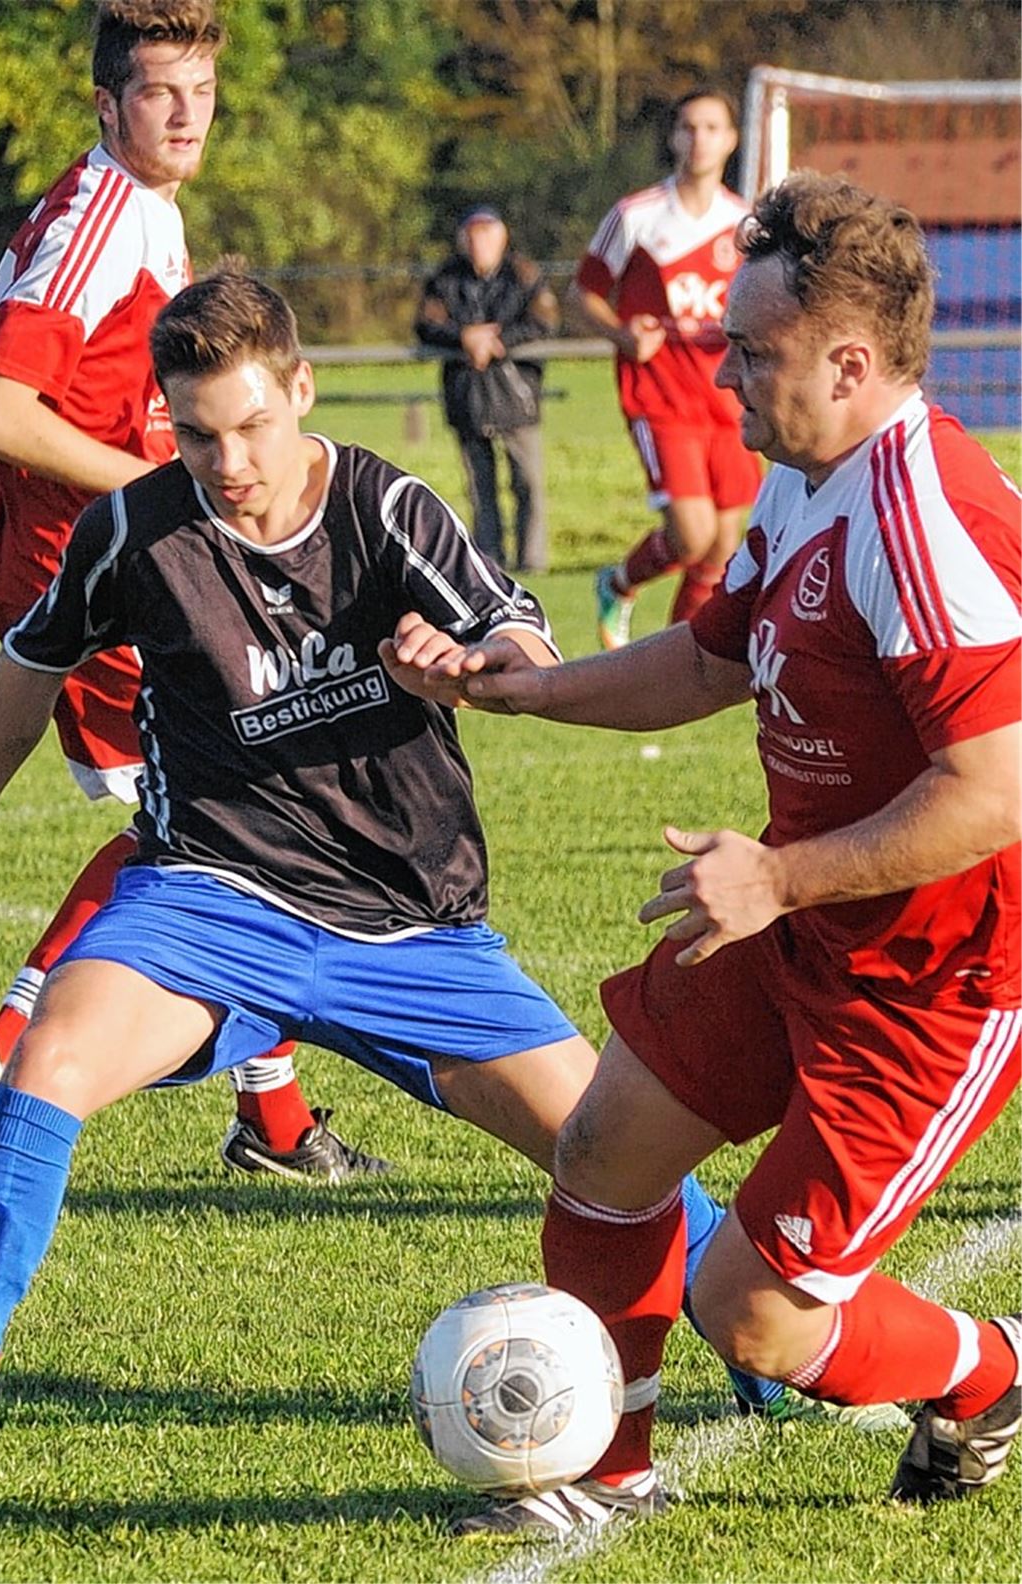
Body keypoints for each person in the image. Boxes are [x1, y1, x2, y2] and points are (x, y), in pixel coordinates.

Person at [0, 266, 810, 1507]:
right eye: (198, 433)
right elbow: (30, 658)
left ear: (302, 391)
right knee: (48, 1065)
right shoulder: (138, 529)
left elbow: (523, 640)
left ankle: (744, 1330)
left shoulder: (384, 509)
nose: (229, 461)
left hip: (410, 927)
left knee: (609, 1152)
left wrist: (472, 664)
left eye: (254, 426)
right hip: (209, 898)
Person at [418, 171, 1021, 1536]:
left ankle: (990, 1373)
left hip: (935, 982)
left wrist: (779, 875)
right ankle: (601, 1475)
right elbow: (706, 655)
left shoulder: (923, 520)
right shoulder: (812, 481)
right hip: (801, 917)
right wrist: (511, 688)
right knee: (605, 1153)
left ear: (851, 364)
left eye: (754, 350)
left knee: (747, 1313)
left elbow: (996, 789)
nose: (722, 372)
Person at [0, 0, 385, 1182]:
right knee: (225, 815)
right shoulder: (99, 223)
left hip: (96, 553)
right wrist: (163, 491)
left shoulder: (140, 208)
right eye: (158, 92)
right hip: (82, 566)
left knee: (253, 806)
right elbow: (0, 412)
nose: (187, 114)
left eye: (201, 90)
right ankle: (13, 1037)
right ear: (107, 105)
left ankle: (275, 1124)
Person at [573, 87, 762, 647]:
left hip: (726, 395)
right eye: (688, 127)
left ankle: (683, 651)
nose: (699, 139)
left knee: (726, 540)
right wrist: (621, 333)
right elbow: (581, 293)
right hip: (660, 396)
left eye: (712, 127)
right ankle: (618, 583)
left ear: (731, 139)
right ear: (674, 137)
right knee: (691, 534)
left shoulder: (746, 222)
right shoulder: (636, 215)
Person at [415, 206, 558, 573]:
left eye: (488, 235)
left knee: (528, 483)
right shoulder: (444, 278)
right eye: (474, 236)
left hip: (516, 393)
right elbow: (426, 324)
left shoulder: (523, 274)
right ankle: (489, 564)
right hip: (467, 396)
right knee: (480, 490)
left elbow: (546, 320)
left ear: (503, 238)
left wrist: (497, 342)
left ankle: (532, 563)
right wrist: (464, 338)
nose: (480, 244)